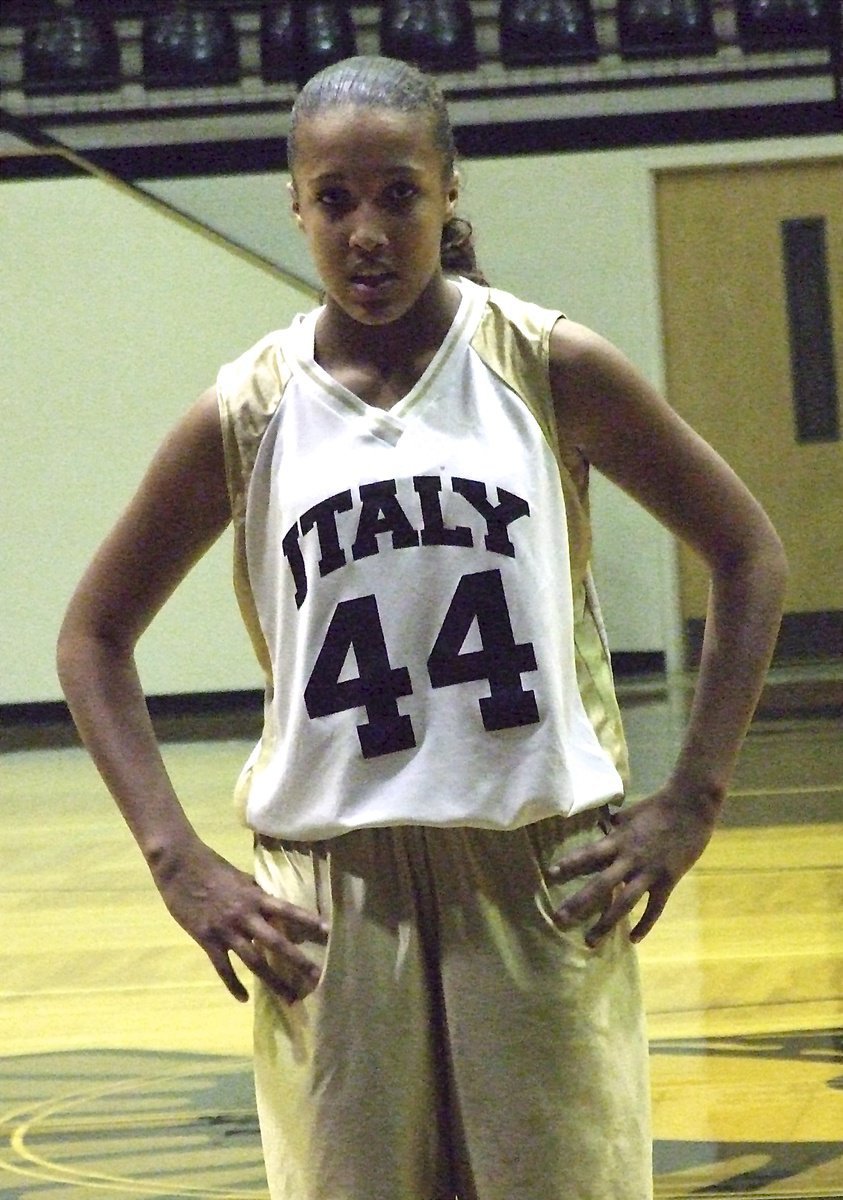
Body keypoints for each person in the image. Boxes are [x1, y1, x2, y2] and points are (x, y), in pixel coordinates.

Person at [56, 54, 787, 1200]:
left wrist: (691, 802)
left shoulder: (546, 365)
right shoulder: (248, 412)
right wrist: (174, 858)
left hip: (541, 871)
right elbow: (91, 636)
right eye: (334, 199)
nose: (367, 232)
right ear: (294, 207)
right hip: (329, 900)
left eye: (398, 193)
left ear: (450, 193)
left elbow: (749, 554)